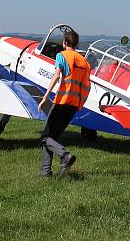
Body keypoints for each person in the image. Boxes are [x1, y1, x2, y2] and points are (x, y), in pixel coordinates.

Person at [37, 28, 91, 178]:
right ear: (76, 44)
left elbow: (56, 76)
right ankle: (45, 172)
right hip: (73, 106)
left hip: (61, 101)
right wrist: (80, 104)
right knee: (51, 137)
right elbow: (87, 87)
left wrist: (44, 97)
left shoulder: (62, 56)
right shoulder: (85, 63)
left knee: (45, 137)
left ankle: (64, 155)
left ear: (65, 42)